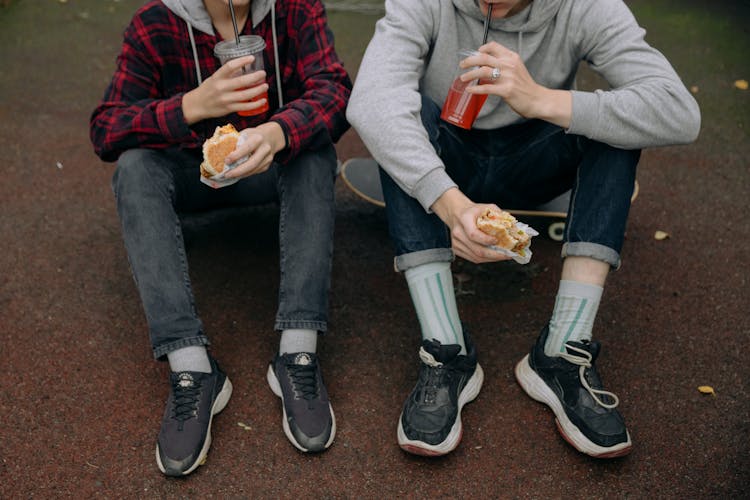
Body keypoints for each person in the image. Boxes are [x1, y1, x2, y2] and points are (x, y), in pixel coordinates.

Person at [347, 0, 699, 458]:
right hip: (447, 161)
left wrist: (540, 99)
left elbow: (680, 111)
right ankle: (447, 350)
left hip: (537, 158)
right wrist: (449, 205)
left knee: (617, 124)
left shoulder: (586, 7)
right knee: (397, 120)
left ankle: (561, 353)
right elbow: (371, 101)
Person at [90, 0, 351, 476]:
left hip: (270, 166)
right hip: (191, 175)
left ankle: (298, 352)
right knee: (134, 169)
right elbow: (106, 128)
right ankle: (191, 367)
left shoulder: (295, 8)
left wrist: (277, 132)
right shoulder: (155, 22)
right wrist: (194, 105)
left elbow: (335, 91)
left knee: (315, 152)